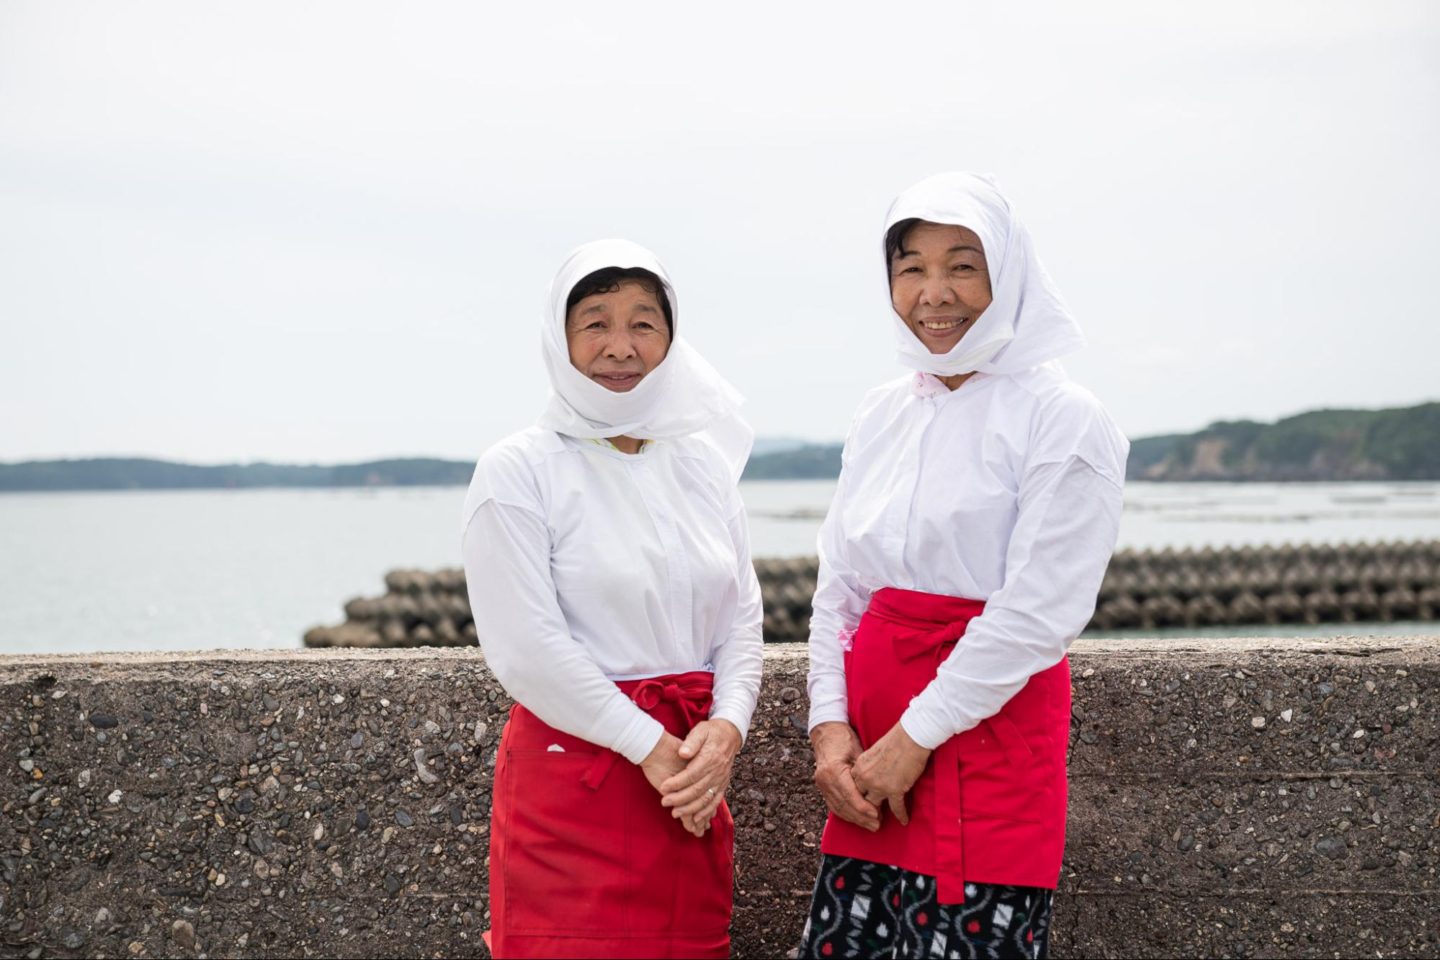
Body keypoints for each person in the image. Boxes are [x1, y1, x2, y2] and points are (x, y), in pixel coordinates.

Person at [800, 172, 1129, 959]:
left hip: (989, 740)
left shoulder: (1063, 417)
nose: (934, 293)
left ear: (1008, 273)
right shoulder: (881, 411)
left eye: (963, 265)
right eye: (911, 268)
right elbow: (840, 585)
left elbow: (1039, 610)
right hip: (871, 754)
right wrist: (829, 728)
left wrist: (914, 738)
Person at [461, 239, 763, 959]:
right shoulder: (519, 470)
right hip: (579, 776)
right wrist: (648, 746)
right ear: (560, 340)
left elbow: (741, 617)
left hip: (687, 776)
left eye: (643, 323)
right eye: (595, 322)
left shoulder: (703, 464)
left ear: (671, 338)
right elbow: (526, 649)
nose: (620, 347)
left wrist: (727, 731)